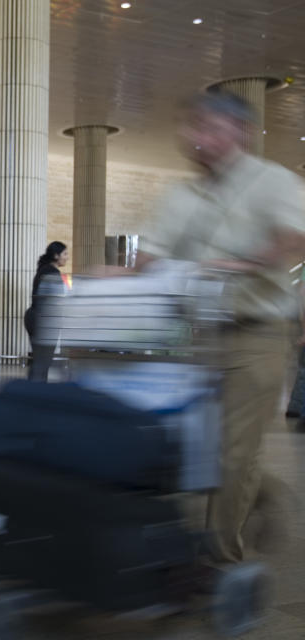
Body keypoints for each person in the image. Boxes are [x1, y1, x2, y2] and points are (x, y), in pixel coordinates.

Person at [140, 91, 305, 564]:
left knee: (233, 453)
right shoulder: (181, 194)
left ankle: (222, 561)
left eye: (210, 126)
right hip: (199, 337)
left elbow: (290, 238)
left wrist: (240, 263)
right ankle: (262, 494)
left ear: (242, 132)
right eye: (193, 126)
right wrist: (121, 274)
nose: (197, 137)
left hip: (258, 333)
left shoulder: (273, 181)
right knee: (195, 445)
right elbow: (153, 255)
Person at [24, 241, 68, 382]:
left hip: (34, 317)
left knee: (39, 362)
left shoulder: (43, 269)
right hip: (44, 320)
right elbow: (56, 300)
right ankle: (35, 395)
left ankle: (33, 394)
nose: (67, 257)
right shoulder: (52, 273)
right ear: (56, 255)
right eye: (65, 254)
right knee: (42, 363)